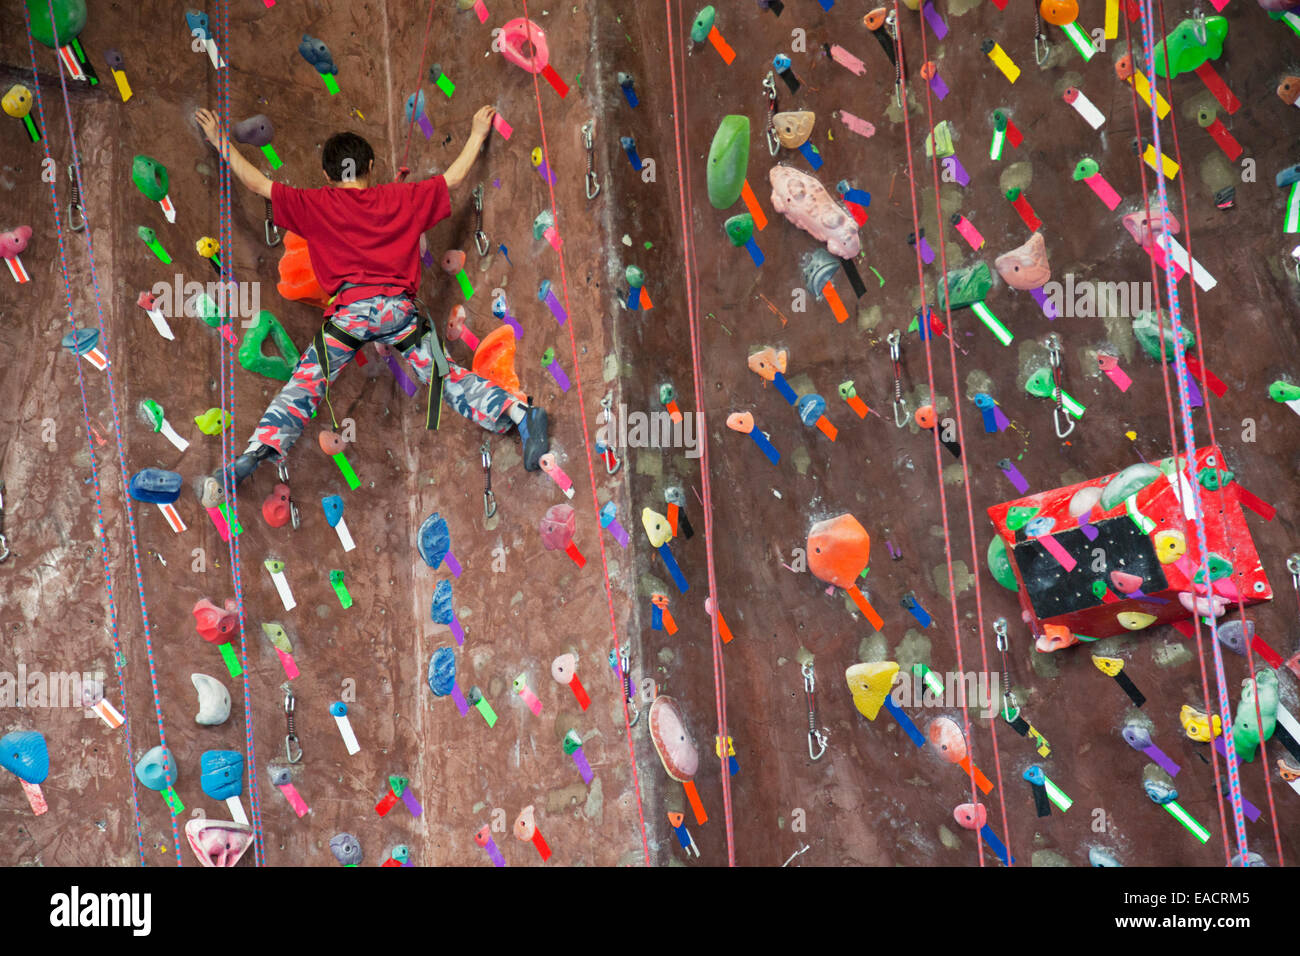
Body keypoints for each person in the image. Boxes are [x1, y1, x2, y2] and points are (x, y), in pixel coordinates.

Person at [191, 105, 548, 506]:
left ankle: (252, 456)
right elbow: (453, 178)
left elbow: (258, 183)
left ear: (328, 175)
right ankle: (521, 415)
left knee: (305, 384)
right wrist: (478, 132)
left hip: (349, 316)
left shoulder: (316, 203)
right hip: (399, 313)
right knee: (444, 379)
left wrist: (220, 138)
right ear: (371, 166)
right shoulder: (402, 196)